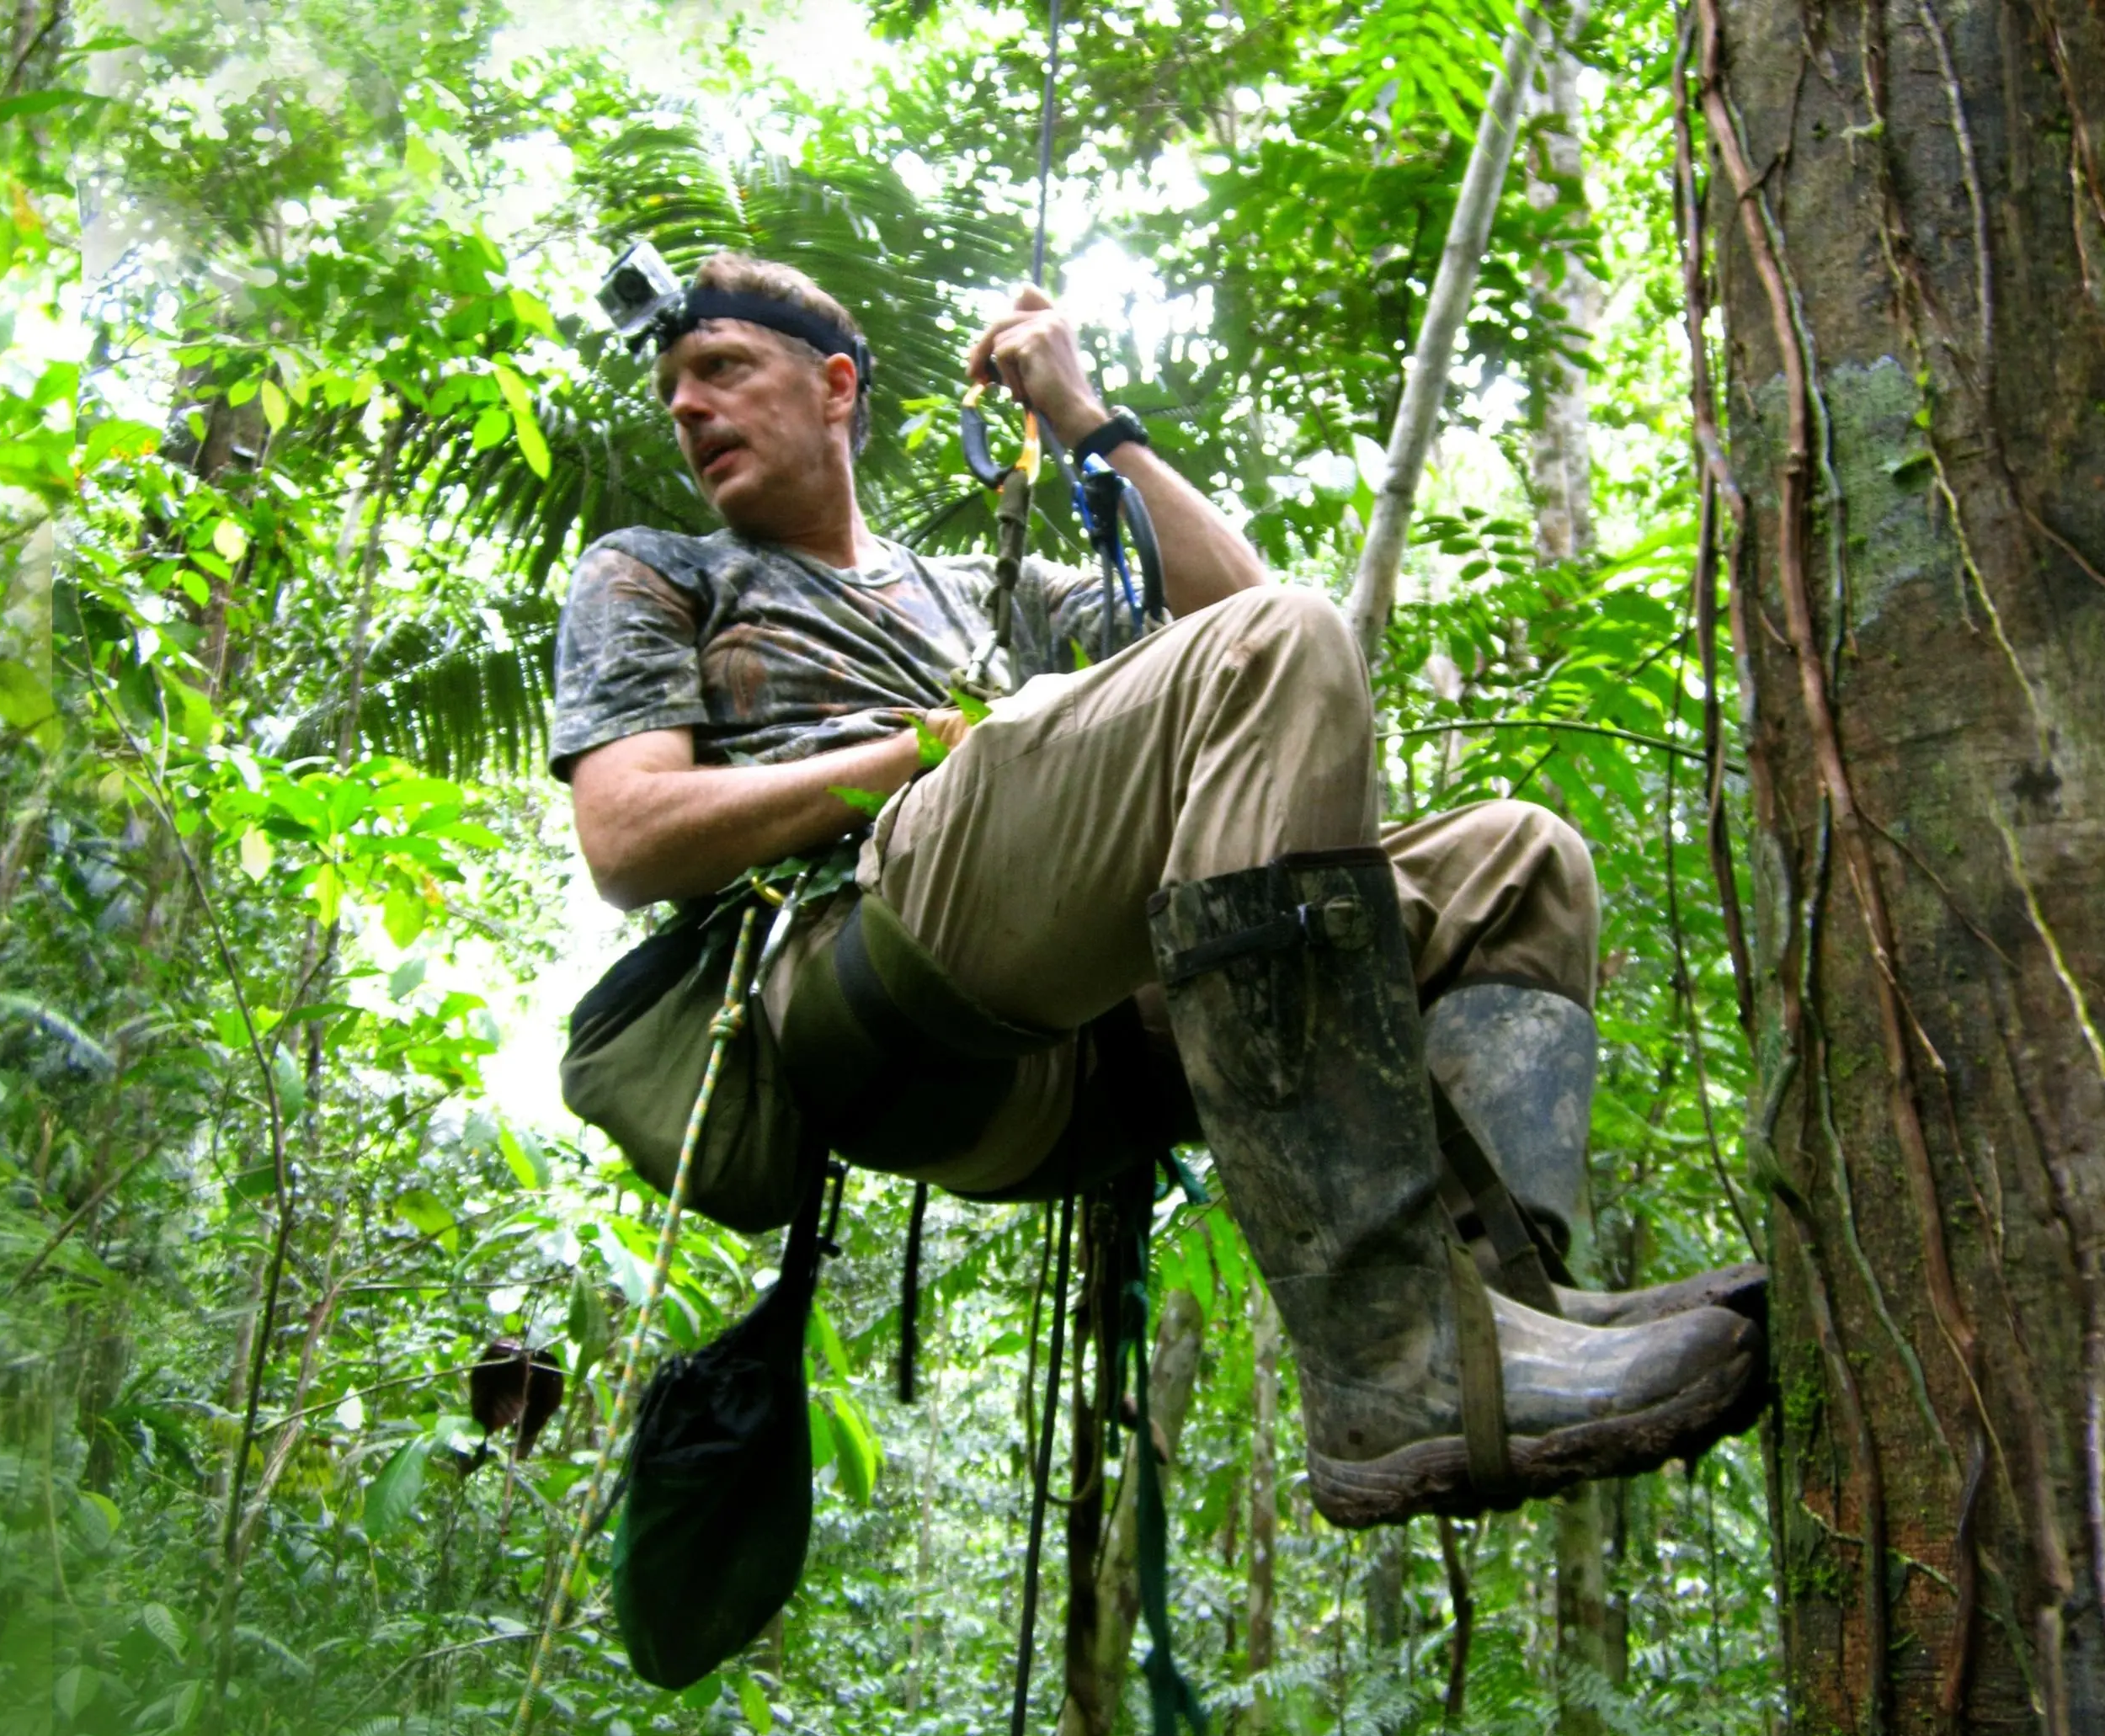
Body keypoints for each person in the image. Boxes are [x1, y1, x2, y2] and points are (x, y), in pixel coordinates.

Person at [546, 252, 1762, 1526]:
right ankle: (1389, 1350)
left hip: (1103, 1034)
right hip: (861, 978)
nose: (687, 408)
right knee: (1270, 651)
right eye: (674, 388)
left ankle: (1506, 1309)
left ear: (835, 385)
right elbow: (628, 836)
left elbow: (1258, 615)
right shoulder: (659, 571)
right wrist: (927, 748)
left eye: (722, 370)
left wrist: (1082, 415)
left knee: (1517, 863)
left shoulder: (983, 598)